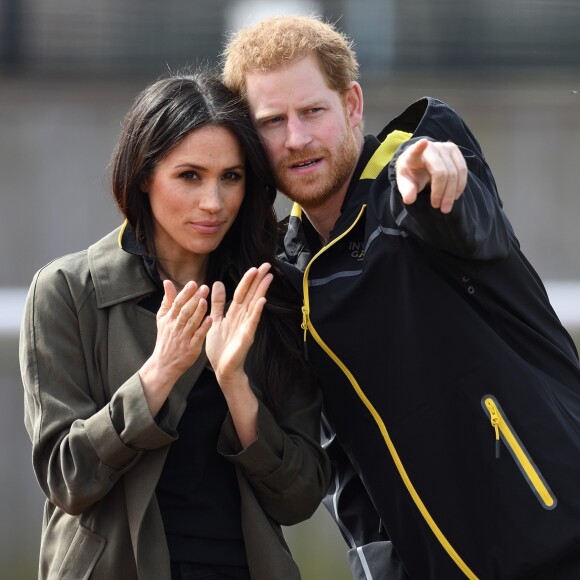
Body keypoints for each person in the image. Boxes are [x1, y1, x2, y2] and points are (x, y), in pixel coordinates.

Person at [221, 14, 580, 580]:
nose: (297, 138)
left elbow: (471, 223)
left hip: (559, 542)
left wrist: (437, 175)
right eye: (273, 121)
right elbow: (344, 460)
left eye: (313, 110)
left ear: (352, 104)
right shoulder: (289, 278)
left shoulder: (411, 178)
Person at [19, 69, 331, 580]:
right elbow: (67, 478)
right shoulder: (67, 292)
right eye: (190, 176)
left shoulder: (270, 298)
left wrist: (236, 386)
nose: (214, 202)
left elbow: (299, 498)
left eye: (230, 177)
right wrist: (158, 375)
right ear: (145, 176)